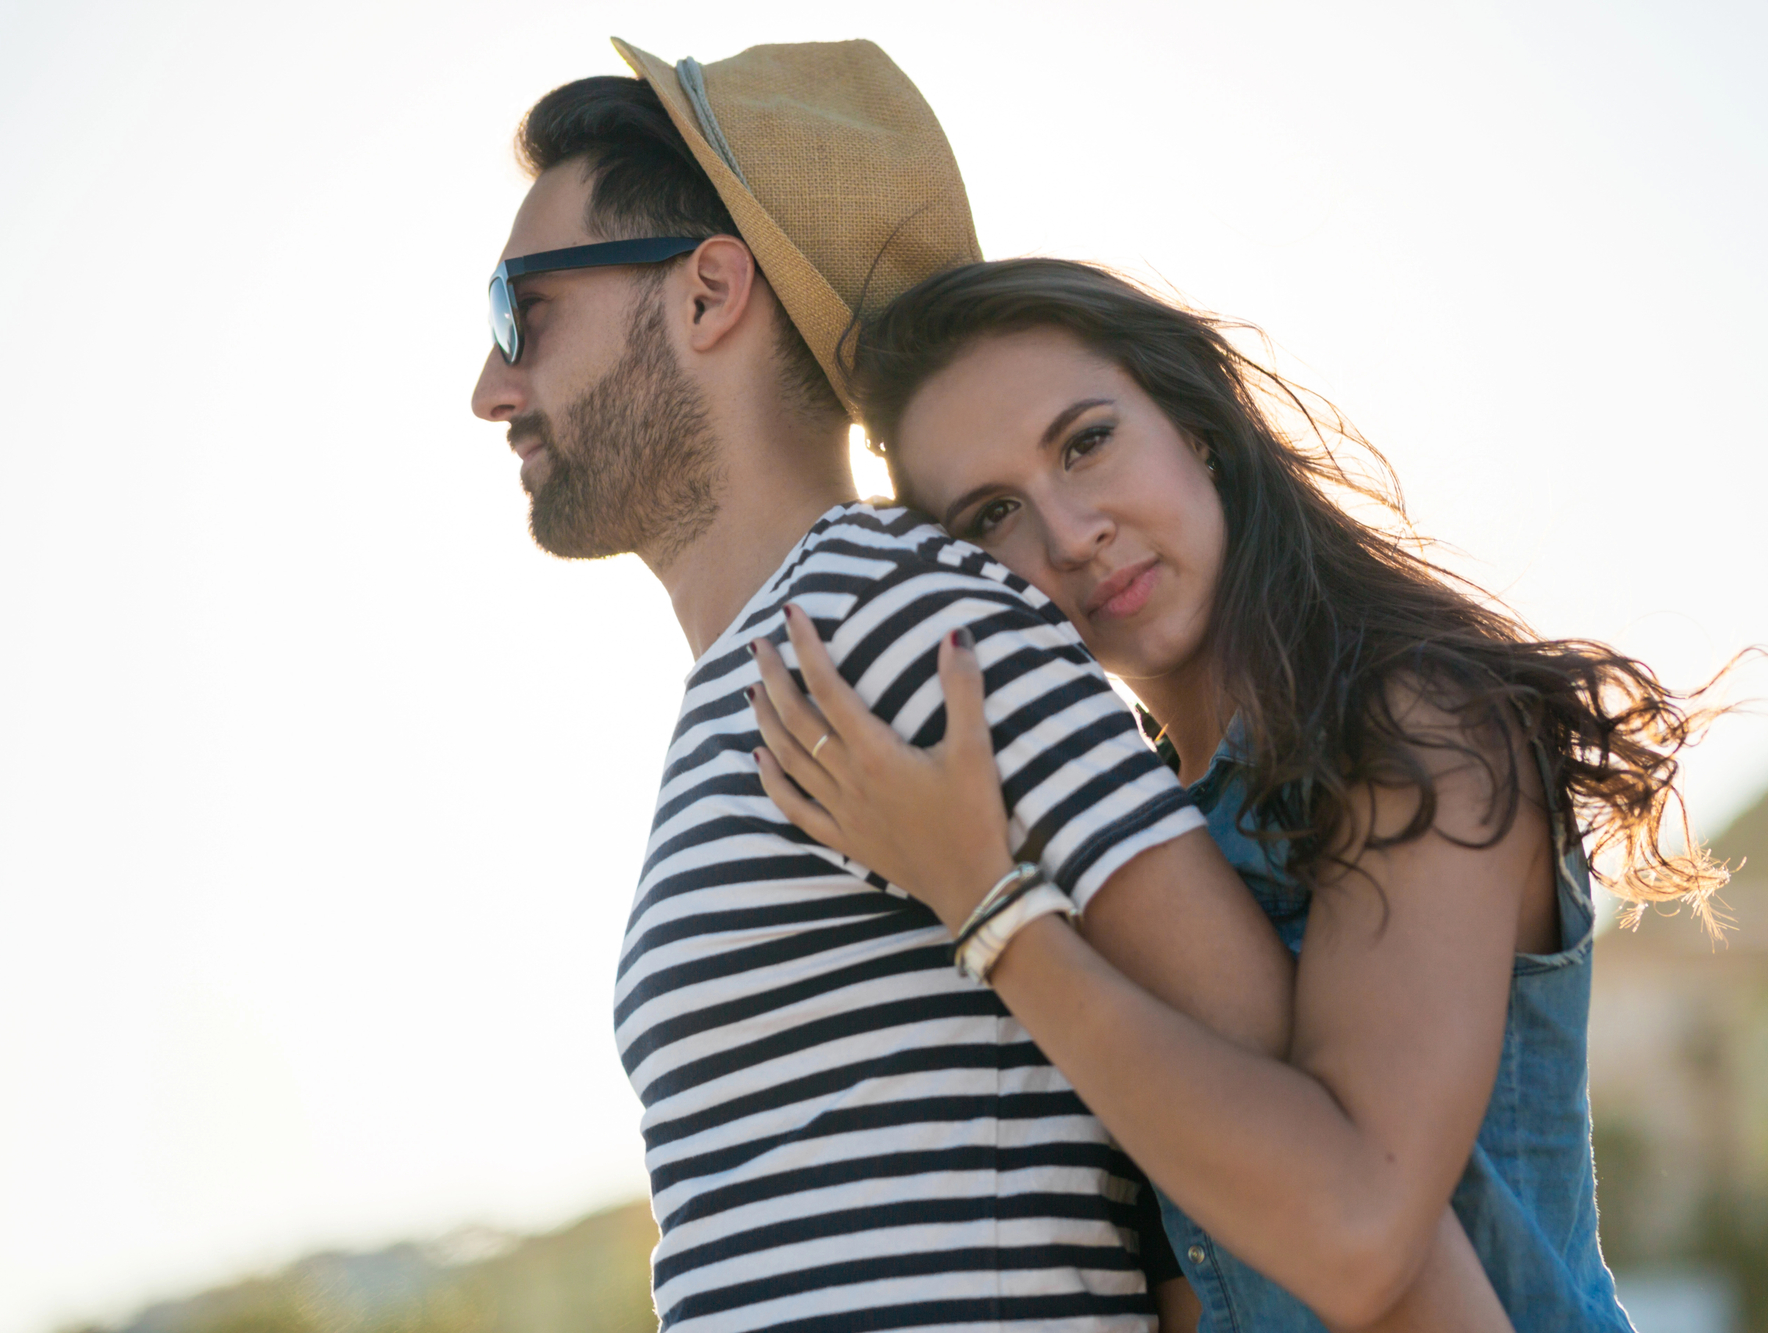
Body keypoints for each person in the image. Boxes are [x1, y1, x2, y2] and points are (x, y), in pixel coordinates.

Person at [470, 38, 1507, 1333]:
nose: (488, 386)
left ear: (706, 293)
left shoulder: (898, 620)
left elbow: (1294, 1123)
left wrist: (990, 906)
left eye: (523, 311)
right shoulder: (789, 654)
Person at [745, 258, 1733, 1330]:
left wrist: (986, 901)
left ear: (1195, 424)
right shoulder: (1138, 851)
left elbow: (1355, 1237)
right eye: (992, 515)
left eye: (1086, 442)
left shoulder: (1414, 724)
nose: (1072, 535)